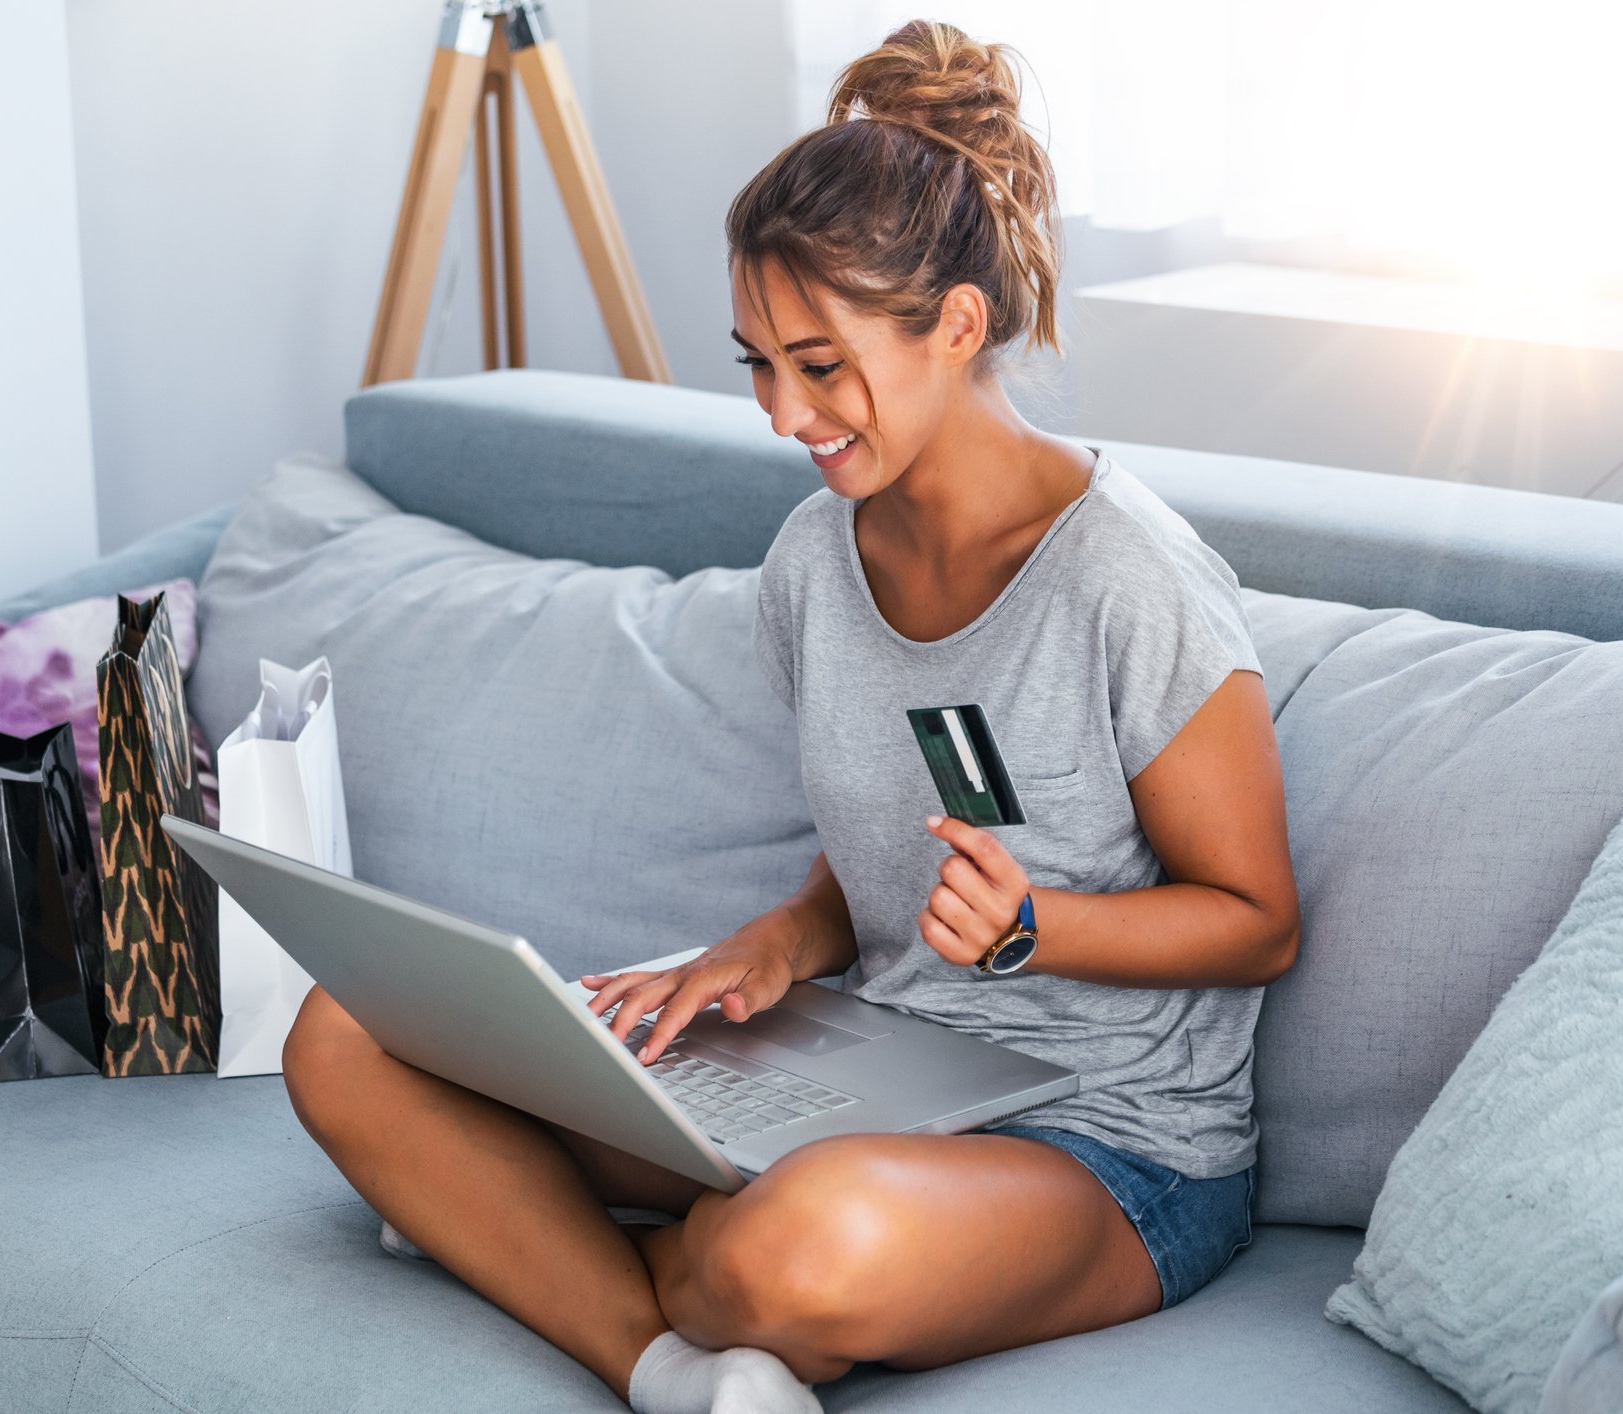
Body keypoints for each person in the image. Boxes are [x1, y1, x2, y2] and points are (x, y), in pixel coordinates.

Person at [280, 18, 1300, 1414]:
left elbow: (1255, 918)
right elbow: (885, 848)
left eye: (819, 364)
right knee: (348, 1033)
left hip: (1114, 1143)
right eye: (758, 362)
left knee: (777, 1251)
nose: (781, 415)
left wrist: (1028, 928)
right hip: (873, 1068)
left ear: (952, 325)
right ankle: (667, 1361)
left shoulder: (1127, 576)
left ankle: (532, 1241)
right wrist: (763, 946)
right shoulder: (814, 563)